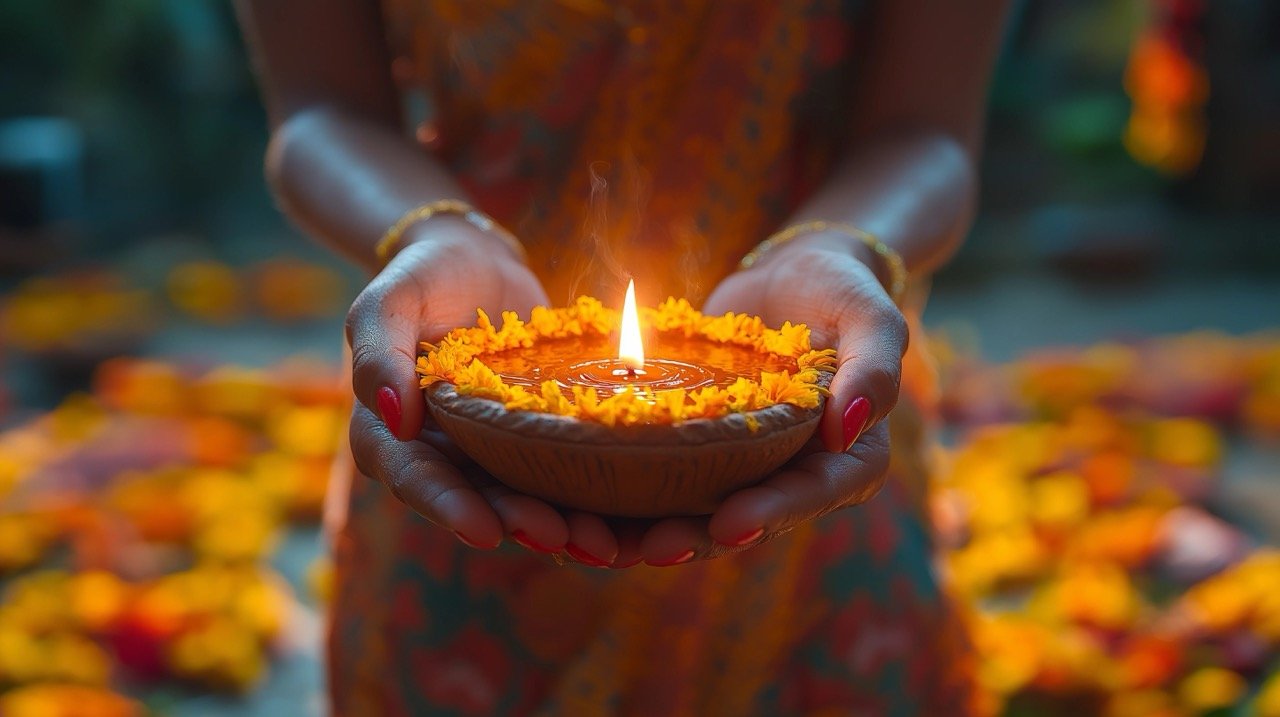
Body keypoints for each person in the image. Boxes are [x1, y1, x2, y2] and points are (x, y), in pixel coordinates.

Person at [236, 1, 1008, 713]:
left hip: (812, 440)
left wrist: (844, 245)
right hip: (461, 439)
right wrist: (430, 232)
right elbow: (322, 110)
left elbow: (924, 130)